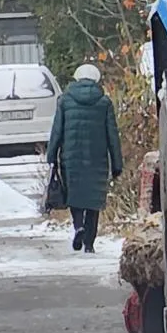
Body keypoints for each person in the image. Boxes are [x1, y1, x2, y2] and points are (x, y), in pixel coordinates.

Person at [47, 64, 123, 253]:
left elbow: (57, 130)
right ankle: (89, 243)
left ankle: (78, 226)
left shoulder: (64, 101)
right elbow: (112, 135)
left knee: (75, 195)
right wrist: (117, 164)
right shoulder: (104, 102)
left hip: (71, 158)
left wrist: (51, 156)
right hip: (97, 158)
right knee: (93, 199)